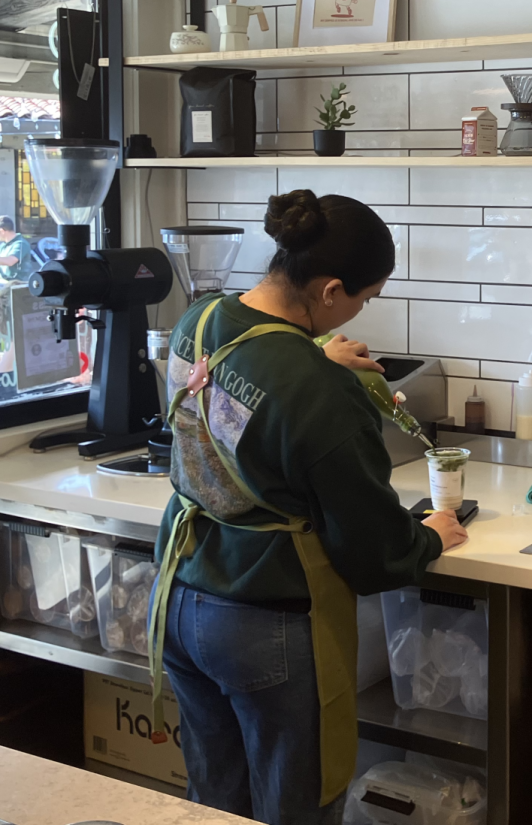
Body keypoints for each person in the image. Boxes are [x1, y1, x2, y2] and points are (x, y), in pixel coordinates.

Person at [150, 190, 468, 825]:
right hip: (264, 617)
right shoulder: (323, 393)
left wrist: (316, 360)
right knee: (293, 808)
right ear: (329, 291)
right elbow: (374, 552)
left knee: (216, 804)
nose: (359, 310)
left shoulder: (201, 319)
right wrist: (430, 535)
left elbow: (247, 383)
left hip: (182, 593)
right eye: (363, 297)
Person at [0, 217, 38, 282]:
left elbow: (10, 261)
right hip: (4, 284)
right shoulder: (3, 245)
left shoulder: (21, 244)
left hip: (19, 286)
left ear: (2, 231)